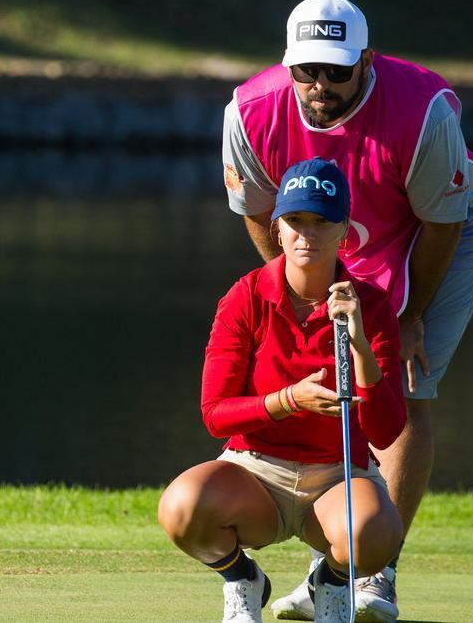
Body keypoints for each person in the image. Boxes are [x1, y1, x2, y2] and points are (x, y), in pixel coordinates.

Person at [221, 0, 473, 621]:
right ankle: (336, 566)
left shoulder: (421, 111)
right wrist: (288, 298)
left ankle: (375, 575)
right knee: (318, 381)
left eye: (337, 70)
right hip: (322, 227)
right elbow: (264, 218)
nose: (320, 83)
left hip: (433, 226)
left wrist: (405, 317)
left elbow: (441, 225)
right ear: (287, 64)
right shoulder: (249, 112)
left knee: (404, 381)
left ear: (366, 61)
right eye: (306, 69)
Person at [159, 157, 406, 623]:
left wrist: (358, 343)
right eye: (295, 220)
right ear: (277, 228)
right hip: (256, 473)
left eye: (321, 221)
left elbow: (387, 430)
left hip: (339, 472)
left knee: (375, 535)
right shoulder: (246, 296)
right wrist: (289, 400)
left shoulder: (369, 305)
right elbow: (215, 413)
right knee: (181, 507)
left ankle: (331, 582)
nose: (307, 234)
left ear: (344, 231)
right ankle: (242, 579)